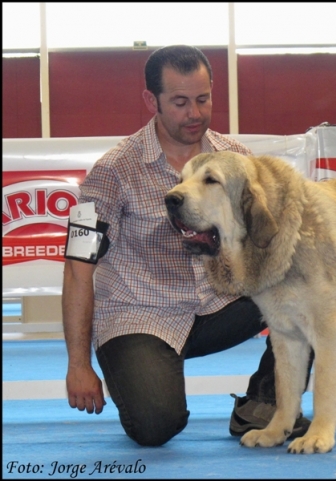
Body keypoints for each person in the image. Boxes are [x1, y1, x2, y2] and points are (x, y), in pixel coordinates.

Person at [62, 45, 312, 447]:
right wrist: (77, 364)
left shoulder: (237, 159)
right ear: (151, 101)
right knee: (154, 427)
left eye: (202, 99)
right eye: (179, 102)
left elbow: (269, 238)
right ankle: (143, 369)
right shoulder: (110, 172)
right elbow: (78, 266)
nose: (194, 114)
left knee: (307, 289)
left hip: (219, 304)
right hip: (140, 316)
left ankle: (263, 406)